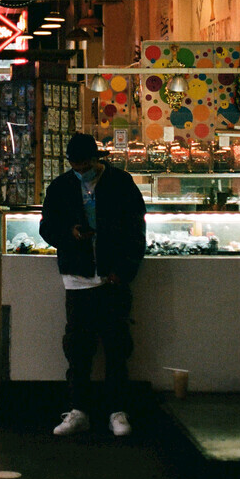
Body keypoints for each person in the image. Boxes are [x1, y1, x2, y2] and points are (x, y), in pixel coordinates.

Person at [39, 132, 146, 438]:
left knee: (117, 347)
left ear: (97, 160)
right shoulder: (60, 187)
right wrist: (69, 233)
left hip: (113, 277)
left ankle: (117, 410)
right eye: (74, 163)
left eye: (84, 163)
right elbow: (47, 228)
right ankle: (78, 410)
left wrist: (124, 271)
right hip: (77, 277)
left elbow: (136, 230)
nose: (80, 168)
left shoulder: (121, 184)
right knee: (78, 348)